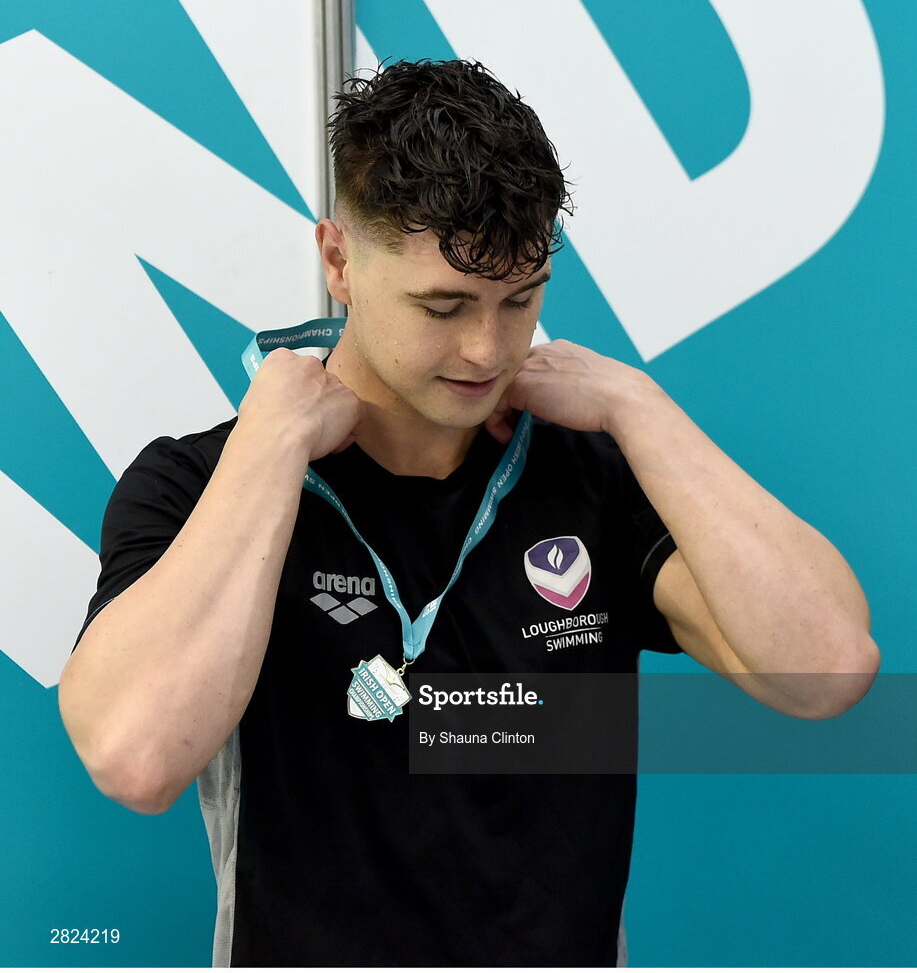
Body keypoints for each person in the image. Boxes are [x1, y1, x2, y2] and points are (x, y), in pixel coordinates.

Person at [59, 59, 879, 967]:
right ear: (338, 260)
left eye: (519, 300)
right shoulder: (205, 482)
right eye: (442, 307)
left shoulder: (592, 476)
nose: (486, 347)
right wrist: (270, 448)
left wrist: (642, 409)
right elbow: (135, 760)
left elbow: (825, 674)